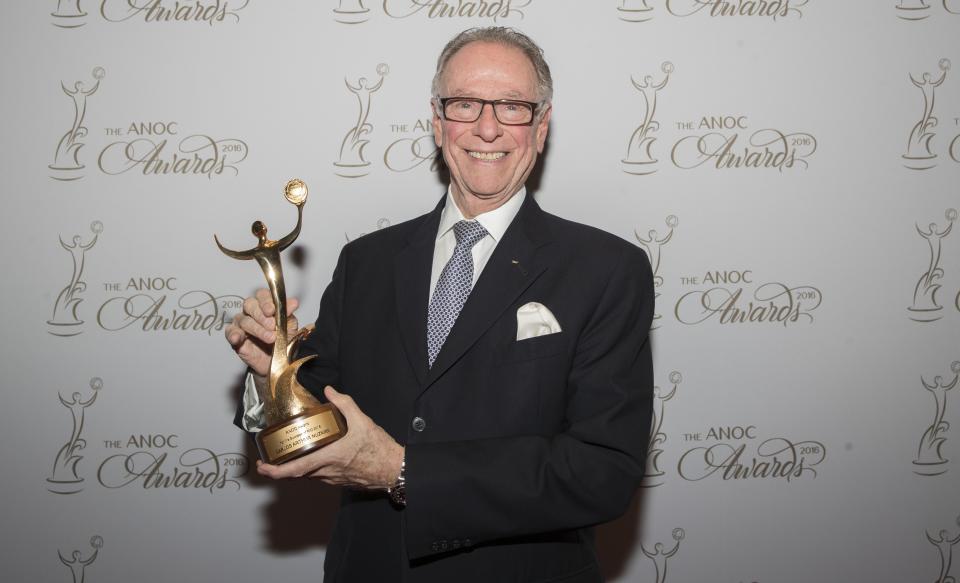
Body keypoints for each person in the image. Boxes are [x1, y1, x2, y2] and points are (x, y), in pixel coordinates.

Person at [225, 26, 654, 582]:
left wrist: (401, 471)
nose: (487, 126)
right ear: (436, 121)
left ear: (541, 126)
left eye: (513, 106)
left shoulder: (605, 269)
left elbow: (602, 472)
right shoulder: (367, 262)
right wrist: (271, 375)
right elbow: (314, 415)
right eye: (465, 103)